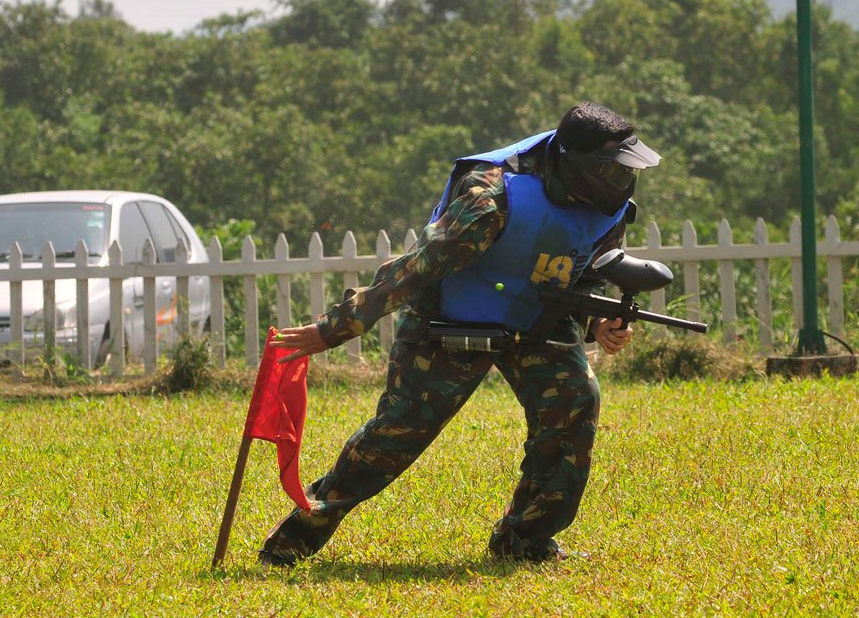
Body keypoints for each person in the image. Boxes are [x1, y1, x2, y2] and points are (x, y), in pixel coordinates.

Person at [260, 102, 661, 564]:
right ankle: (293, 540)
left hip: (536, 319)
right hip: (449, 317)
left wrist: (598, 322)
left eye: (627, 171)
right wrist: (336, 327)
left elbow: (585, 273)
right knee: (397, 433)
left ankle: (525, 541)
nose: (622, 182)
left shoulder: (611, 209)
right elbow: (418, 270)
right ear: (577, 163)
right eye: (612, 171)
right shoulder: (491, 195)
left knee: (575, 401)